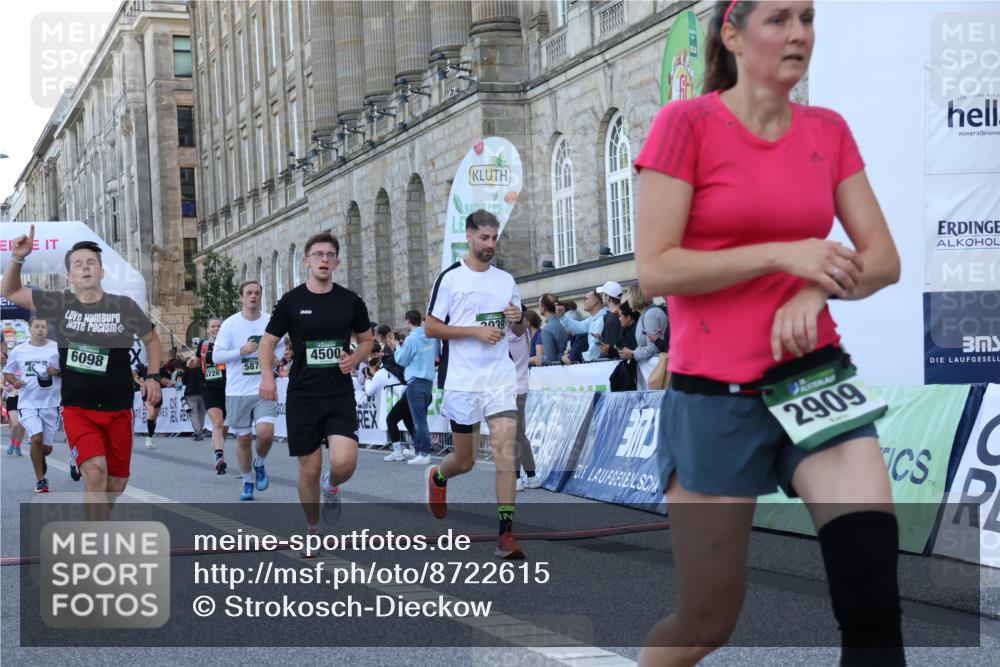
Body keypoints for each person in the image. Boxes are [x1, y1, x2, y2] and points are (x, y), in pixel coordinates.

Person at [633, 2, 903, 665]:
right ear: (733, 33)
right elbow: (655, 269)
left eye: (807, 18)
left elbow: (884, 259)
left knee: (871, 594)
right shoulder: (685, 125)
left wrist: (817, 282)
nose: (799, 34)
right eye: (779, 18)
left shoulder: (827, 130)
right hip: (713, 396)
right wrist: (784, 254)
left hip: (814, 380)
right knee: (706, 622)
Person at [2, 232, 162, 518]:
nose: (85, 267)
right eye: (78, 264)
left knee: (116, 483)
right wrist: (17, 257)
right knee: (96, 472)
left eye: (91, 262)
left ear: (101, 271)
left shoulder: (123, 306)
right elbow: (11, 292)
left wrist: (153, 376)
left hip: (118, 410)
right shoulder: (59, 303)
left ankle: (96, 514)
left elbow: (152, 339)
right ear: (70, 276)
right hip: (79, 409)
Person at [258, 231, 373, 552]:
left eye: (330, 255)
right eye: (318, 254)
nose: (324, 259)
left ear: (337, 262)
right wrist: (267, 376)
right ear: (306, 261)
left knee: (344, 462)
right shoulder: (291, 302)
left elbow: (367, 340)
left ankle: (333, 487)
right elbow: (268, 343)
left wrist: (355, 358)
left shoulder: (350, 301)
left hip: (338, 394)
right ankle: (313, 528)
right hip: (303, 396)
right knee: (309, 470)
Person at [424, 209, 528, 559]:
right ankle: (438, 477)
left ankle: (506, 534)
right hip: (462, 378)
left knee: (504, 454)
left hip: (499, 376)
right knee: (465, 461)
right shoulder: (451, 279)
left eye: (494, 238)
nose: (490, 244)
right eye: (484, 238)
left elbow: (517, 328)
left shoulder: (505, 280)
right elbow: (431, 327)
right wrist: (473, 331)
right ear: (469, 236)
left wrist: (517, 320)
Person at [212, 280, 281, 501]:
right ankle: (247, 480)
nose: (253, 296)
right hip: (237, 391)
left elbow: (280, 349)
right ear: (241, 297)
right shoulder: (230, 324)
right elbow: (216, 356)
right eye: (249, 293)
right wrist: (241, 351)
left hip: (263, 387)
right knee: (243, 440)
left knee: (266, 432)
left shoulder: (271, 321)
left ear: (261, 296)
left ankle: (259, 463)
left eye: (257, 293)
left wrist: (276, 358)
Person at [3, 316, 62, 492]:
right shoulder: (19, 350)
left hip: (51, 403)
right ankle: (41, 481)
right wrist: (15, 382)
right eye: (37, 326)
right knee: (36, 438)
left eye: (43, 327)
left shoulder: (57, 349)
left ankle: (39, 455)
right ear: (30, 329)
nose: (40, 330)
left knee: (47, 448)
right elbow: (8, 372)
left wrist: (57, 371)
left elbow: (69, 371)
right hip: (28, 402)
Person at [393, 309, 438, 465]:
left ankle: (424, 453)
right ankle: (419, 450)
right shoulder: (431, 337)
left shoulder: (411, 339)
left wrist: (397, 348)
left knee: (419, 421)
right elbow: (436, 355)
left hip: (415, 382)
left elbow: (401, 360)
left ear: (408, 321)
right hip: (428, 382)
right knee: (420, 418)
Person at [505, 308, 540, 491]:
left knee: (515, 434)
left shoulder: (512, 333)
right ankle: (530, 475)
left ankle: (519, 477)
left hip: (514, 388)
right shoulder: (524, 330)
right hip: (518, 386)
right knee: (518, 433)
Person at [193, 317, 229, 473]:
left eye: (219, 326)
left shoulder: (228, 343)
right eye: (213, 326)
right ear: (208, 330)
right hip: (209, 388)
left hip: (228, 388)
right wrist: (190, 363)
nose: (216, 328)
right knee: (218, 423)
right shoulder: (203, 345)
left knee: (225, 426)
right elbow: (195, 361)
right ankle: (219, 457)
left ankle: (217, 443)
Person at [558, 288, 608, 362]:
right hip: (595, 363)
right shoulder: (593, 318)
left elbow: (595, 350)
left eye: (586, 299)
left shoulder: (602, 319)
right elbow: (578, 327)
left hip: (596, 364)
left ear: (595, 301)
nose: (583, 301)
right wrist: (562, 316)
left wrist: (584, 358)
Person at [537, 293, 568, 365]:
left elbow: (550, 358)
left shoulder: (546, 330)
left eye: (539, 304)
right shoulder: (565, 322)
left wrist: (539, 360)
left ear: (543, 308)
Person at [182, 353, 206, 441]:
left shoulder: (188, 370)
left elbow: (184, 381)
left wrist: (187, 368)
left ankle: (198, 431)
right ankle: (200, 430)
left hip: (191, 394)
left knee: (193, 414)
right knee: (201, 414)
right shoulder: (202, 369)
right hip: (202, 393)